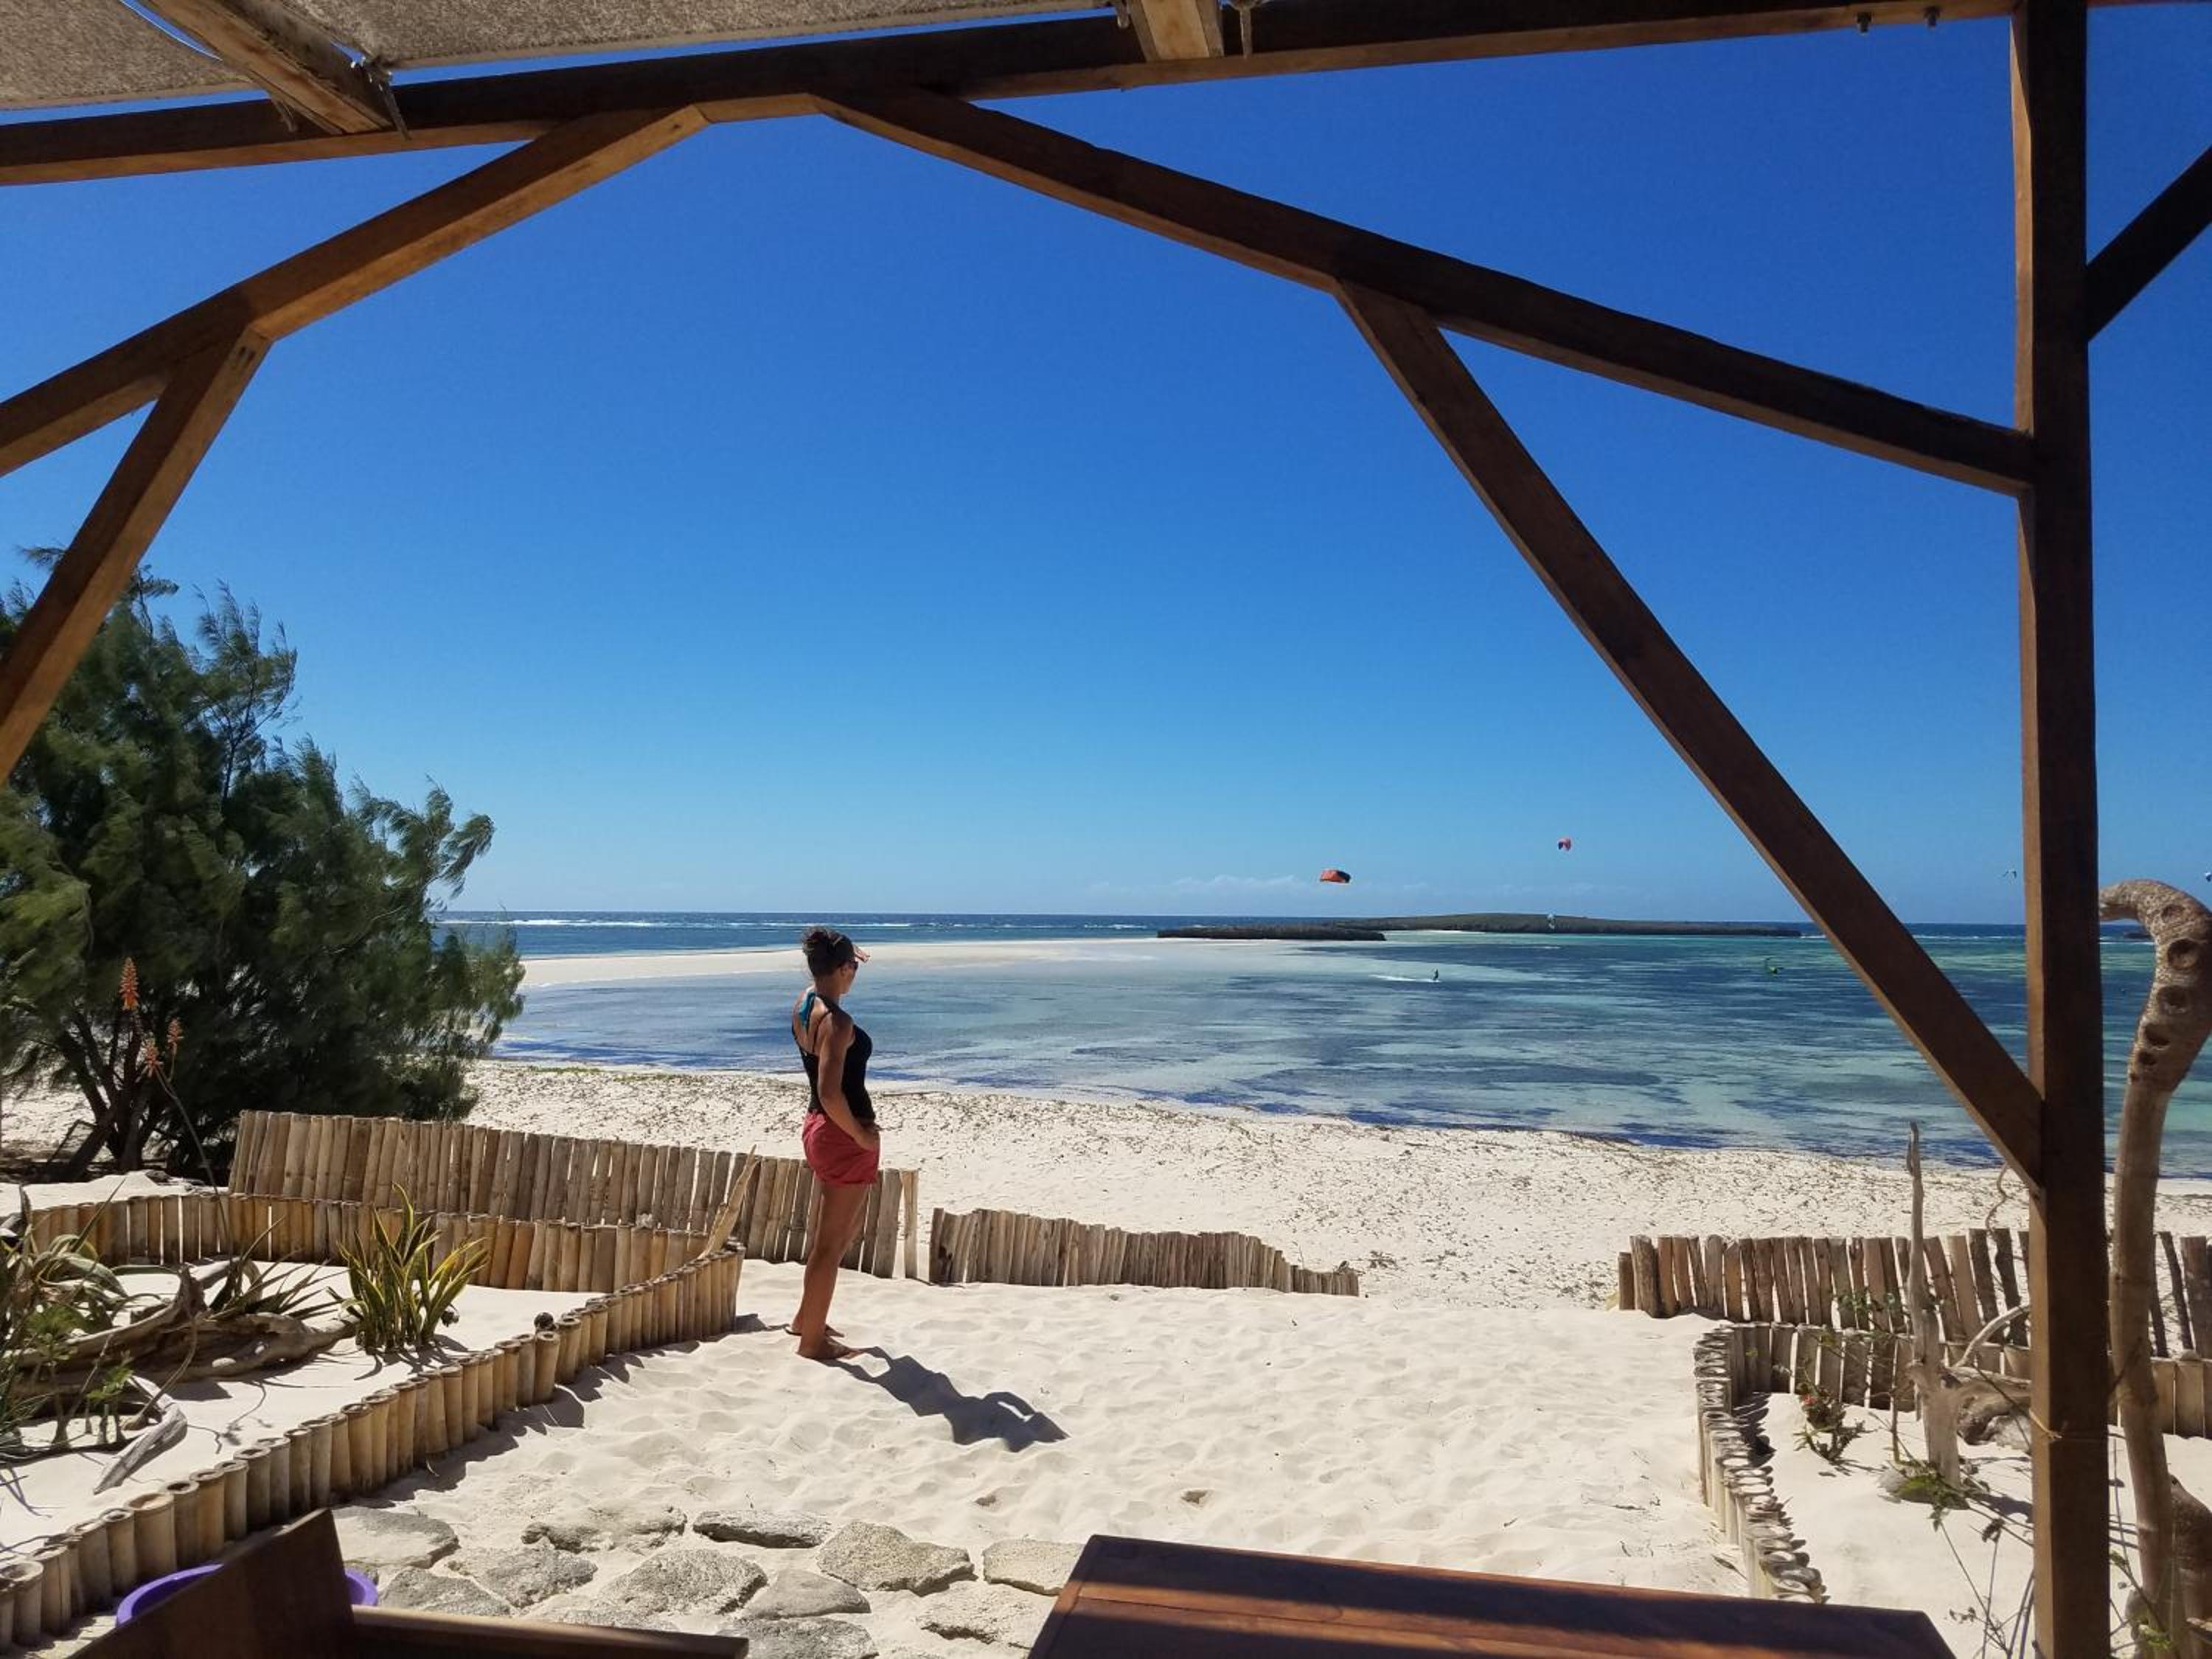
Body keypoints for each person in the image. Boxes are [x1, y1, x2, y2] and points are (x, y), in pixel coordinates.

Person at [790, 926, 880, 1360]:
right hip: (840, 1133)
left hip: (817, 1128)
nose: (855, 974)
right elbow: (830, 1093)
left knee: (827, 1239)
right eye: (852, 967)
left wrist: (842, 953)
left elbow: (822, 1093)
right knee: (832, 1244)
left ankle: (805, 1320)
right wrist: (861, 1135)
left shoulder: (805, 1002)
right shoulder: (837, 1023)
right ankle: (812, 1343)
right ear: (843, 969)